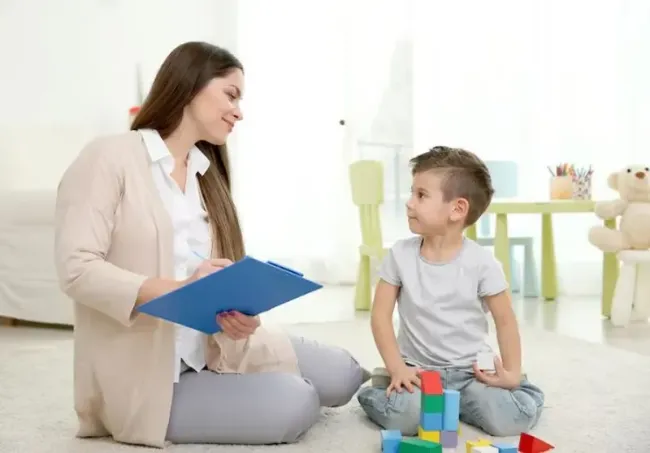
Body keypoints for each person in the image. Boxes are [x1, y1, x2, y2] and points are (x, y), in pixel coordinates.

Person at [54, 41, 368, 449]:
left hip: (212, 346)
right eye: (231, 94)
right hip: (153, 373)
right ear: (190, 86)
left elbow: (216, 275)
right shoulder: (109, 157)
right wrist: (180, 292)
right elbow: (77, 269)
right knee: (298, 401)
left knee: (343, 374)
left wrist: (242, 317)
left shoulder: (207, 176)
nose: (239, 111)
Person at [356, 146, 544, 437]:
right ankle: (381, 389)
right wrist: (397, 368)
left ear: (457, 209)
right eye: (412, 193)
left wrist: (511, 371)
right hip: (417, 371)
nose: (409, 203)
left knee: (509, 421)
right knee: (405, 420)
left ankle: (520, 389)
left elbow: (505, 320)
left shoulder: (483, 263)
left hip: (471, 373)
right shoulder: (399, 255)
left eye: (421, 195)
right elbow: (380, 316)